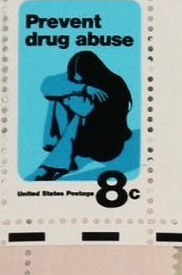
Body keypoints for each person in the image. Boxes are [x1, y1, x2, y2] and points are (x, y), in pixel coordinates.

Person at [31, 49, 132, 182]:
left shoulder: (112, 84)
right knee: (59, 94)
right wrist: (83, 88)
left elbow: (85, 110)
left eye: (82, 80)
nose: (79, 82)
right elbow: (47, 86)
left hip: (107, 146)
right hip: (83, 142)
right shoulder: (83, 84)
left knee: (67, 100)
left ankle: (57, 163)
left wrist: (68, 95)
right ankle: (61, 154)